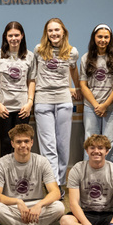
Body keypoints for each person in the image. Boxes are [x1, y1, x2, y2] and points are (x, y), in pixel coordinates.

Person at [0, 124, 64, 225]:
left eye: (26, 141)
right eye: (18, 142)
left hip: (36, 207)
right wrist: (18, 202)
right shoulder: (1, 163)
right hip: (14, 207)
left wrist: (39, 205)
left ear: (32, 142)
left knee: (59, 207)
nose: (23, 145)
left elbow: (56, 192)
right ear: (12, 144)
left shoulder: (42, 161)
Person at [33, 18, 80, 188]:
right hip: (43, 101)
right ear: (46, 33)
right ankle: (52, 185)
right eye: (50, 30)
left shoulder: (72, 52)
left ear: (63, 32)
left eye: (57, 30)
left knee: (62, 145)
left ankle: (61, 182)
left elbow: (74, 70)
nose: (54, 33)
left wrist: (77, 87)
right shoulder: (38, 50)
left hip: (64, 101)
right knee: (48, 146)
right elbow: (32, 75)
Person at [79, 23, 113, 164]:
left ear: (110, 39)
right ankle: (88, 177)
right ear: (94, 38)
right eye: (99, 37)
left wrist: (105, 105)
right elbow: (83, 84)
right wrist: (96, 105)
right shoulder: (86, 58)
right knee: (90, 144)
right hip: (90, 107)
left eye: (106, 37)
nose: (103, 40)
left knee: (109, 145)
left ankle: (109, 180)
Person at [0, 21, 36, 156]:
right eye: (10, 35)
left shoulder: (30, 56)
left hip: (23, 108)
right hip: (3, 108)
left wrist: (29, 103)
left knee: (22, 144)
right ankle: (4, 176)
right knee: (5, 143)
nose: (13, 38)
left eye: (16, 35)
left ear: (22, 36)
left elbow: (31, 80)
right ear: (5, 37)